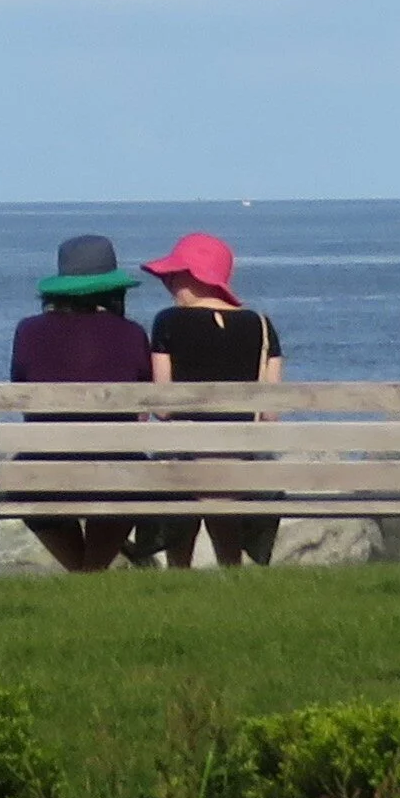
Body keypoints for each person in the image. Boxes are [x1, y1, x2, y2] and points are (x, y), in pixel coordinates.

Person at [139, 232, 283, 569]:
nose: (169, 285)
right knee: (223, 473)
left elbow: (163, 407)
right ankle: (232, 571)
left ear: (196, 277)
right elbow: (270, 414)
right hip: (240, 464)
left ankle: (179, 574)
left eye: (173, 276)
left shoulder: (167, 322)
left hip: (187, 465)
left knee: (186, 469)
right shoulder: (262, 325)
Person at [9, 234, 152, 572]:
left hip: (43, 474)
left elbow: (20, 390)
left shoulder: (28, 331)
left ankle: (85, 573)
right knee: (127, 470)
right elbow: (144, 403)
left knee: (25, 474)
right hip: (118, 474)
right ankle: (91, 572)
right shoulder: (131, 333)